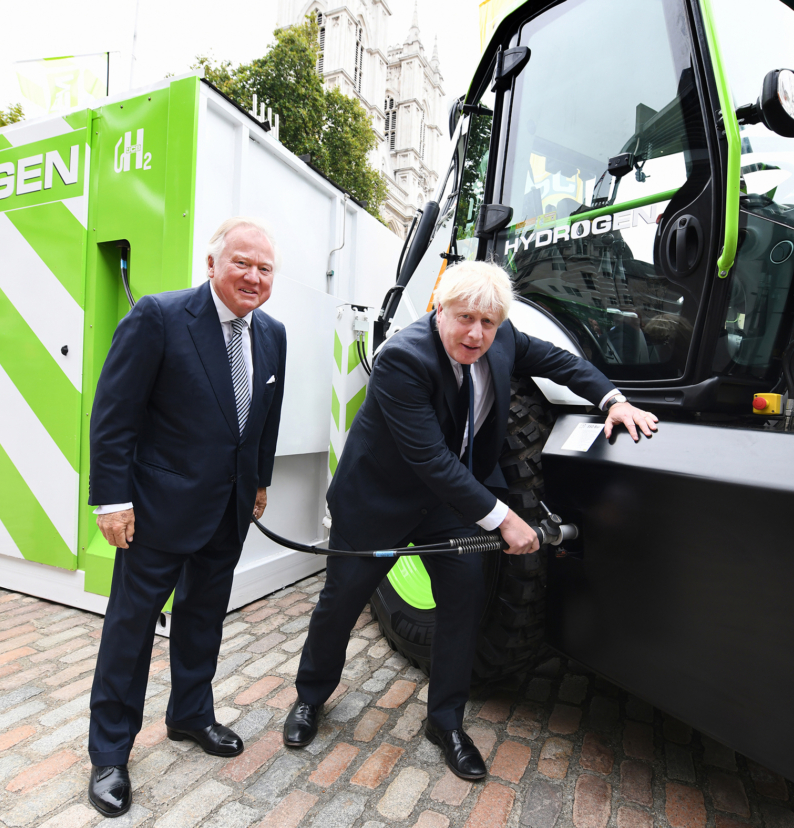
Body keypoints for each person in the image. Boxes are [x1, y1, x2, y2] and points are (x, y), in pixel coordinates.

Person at [284, 260, 657, 780]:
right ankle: (310, 698)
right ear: (439, 309)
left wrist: (613, 400)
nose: (476, 334)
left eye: (488, 322)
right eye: (464, 318)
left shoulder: (501, 339)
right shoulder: (402, 358)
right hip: (380, 501)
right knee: (341, 602)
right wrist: (505, 518)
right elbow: (430, 459)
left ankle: (446, 722)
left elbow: (558, 360)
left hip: (449, 504)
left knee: (463, 603)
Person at [84, 217, 287, 818]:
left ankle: (191, 714)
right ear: (212, 264)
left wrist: (260, 482)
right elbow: (114, 412)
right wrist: (111, 500)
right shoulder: (160, 317)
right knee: (132, 628)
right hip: (155, 513)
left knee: (203, 619)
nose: (253, 276)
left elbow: (263, 419)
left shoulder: (273, 333)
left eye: (265, 268)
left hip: (227, 511)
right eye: (242, 263)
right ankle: (110, 754)